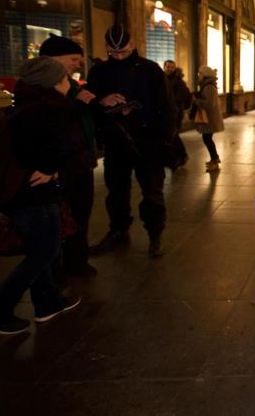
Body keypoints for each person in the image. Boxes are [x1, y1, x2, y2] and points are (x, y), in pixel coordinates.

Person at [0, 57, 86, 335]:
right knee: (44, 252)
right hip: (35, 195)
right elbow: (65, 147)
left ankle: (47, 304)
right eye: (63, 77)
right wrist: (50, 168)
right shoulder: (51, 109)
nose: (68, 81)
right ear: (52, 82)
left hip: (20, 192)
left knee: (41, 249)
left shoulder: (23, 104)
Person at [85, 24, 176, 258]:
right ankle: (118, 231)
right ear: (106, 49)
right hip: (116, 140)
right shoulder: (99, 72)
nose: (119, 57)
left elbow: (166, 106)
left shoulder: (150, 70)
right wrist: (104, 103)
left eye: (123, 52)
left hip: (148, 141)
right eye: (114, 53)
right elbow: (91, 105)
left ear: (132, 45)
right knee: (116, 190)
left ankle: (155, 234)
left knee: (152, 192)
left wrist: (166, 139)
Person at [39, 34, 122, 277]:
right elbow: (49, 125)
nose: (78, 64)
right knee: (57, 219)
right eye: (73, 59)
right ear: (52, 59)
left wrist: (100, 103)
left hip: (80, 160)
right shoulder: (41, 86)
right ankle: (56, 270)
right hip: (58, 165)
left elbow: (84, 108)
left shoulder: (68, 83)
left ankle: (76, 261)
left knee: (79, 212)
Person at [193, 66, 224, 172]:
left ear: (205, 75)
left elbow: (209, 104)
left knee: (207, 139)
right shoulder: (206, 85)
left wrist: (196, 100)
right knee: (207, 139)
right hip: (210, 118)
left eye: (200, 74)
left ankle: (215, 160)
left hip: (210, 119)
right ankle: (215, 159)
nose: (198, 76)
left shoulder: (209, 86)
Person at [164, 59, 190, 168]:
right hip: (166, 113)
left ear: (174, 68)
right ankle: (176, 158)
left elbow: (180, 98)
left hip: (176, 113)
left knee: (173, 135)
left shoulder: (179, 82)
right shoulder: (163, 79)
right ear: (164, 67)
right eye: (167, 66)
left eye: (171, 67)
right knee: (170, 135)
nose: (169, 69)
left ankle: (182, 156)